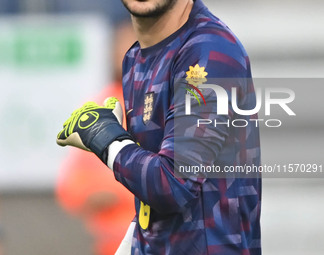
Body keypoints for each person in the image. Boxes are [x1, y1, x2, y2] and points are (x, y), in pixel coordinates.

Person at [56, 0, 261, 254]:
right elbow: (153, 207)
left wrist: (107, 139)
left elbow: (173, 184)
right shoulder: (135, 58)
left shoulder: (207, 51)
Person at [56, 21, 136, 255]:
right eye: (122, 45)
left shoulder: (171, 101)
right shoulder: (102, 105)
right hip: (112, 243)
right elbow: (71, 184)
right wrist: (93, 193)